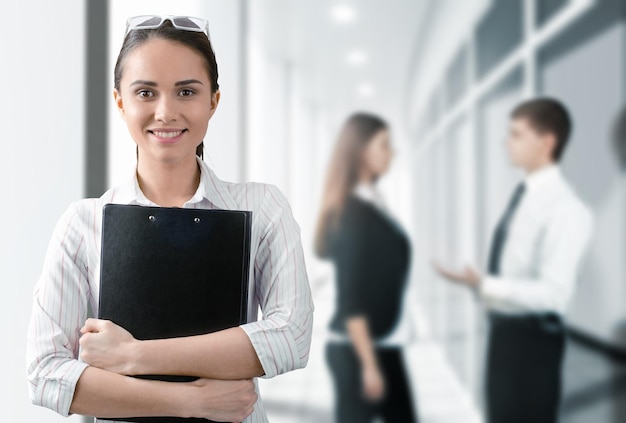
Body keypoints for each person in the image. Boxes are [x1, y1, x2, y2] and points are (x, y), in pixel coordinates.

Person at [26, 15, 313, 423]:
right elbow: (45, 375)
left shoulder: (262, 209)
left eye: (186, 91)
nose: (165, 112)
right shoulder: (82, 224)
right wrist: (192, 402)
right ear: (120, 101)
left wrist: (132, 355)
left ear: (213, 100)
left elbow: (292, 337)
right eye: (145, 92)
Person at [434, 97, 593, 423]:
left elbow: (555, 295)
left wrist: (485, 284)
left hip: (532, 345)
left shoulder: (567, 210)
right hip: (504, 336)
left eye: (516, 134)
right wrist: (480, 287)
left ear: (547, 142)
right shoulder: (523, 195)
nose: (506, 142)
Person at [315, 112, 418, 422]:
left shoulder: (371, 201)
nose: (393, 153)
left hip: (380, 346)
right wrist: (370, 366)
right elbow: (352, 301)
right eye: (385, 145)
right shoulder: (353, 215)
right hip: (359, 352)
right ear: (361, 152)